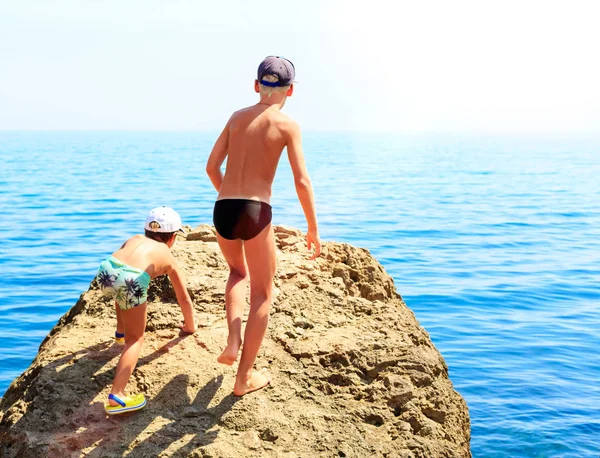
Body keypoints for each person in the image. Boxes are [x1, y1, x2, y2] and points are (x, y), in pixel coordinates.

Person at [205, 56, 321, 396]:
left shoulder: (236, 118)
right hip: (256, 210)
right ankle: (243, 379)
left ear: (257, 85)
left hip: (223, 209)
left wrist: (231, 197)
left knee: (237, 273)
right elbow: (301, 180)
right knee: (263, 294)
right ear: (291, 90)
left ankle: (231, 340)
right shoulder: (287, 125)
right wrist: (313, 228)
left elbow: (212, 168)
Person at [96, 206, 197, 415]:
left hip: (106, 270)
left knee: (121, 293)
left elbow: (122, 268)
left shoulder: (133, 238)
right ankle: (117, 396)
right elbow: (183, 297)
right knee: (137, 339)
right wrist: (190, 325)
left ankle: (119, 333)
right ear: (173, 237)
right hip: (130, 280)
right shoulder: (167, 256)